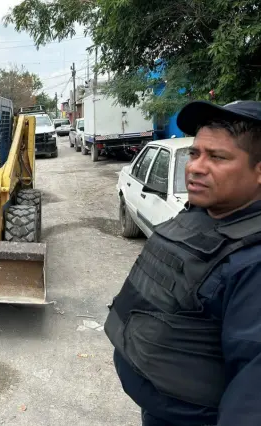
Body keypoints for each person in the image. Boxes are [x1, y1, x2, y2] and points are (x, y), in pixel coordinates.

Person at [105, 100, 261, 426]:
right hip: (161, 406)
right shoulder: (206, 213)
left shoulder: (252, 262)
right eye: (195, 153)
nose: (195, 167)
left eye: (217, 157)